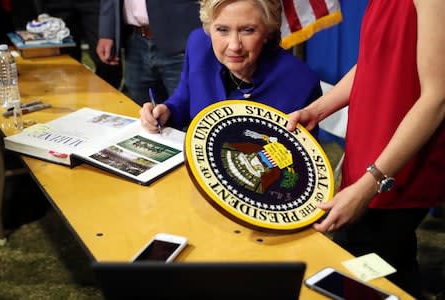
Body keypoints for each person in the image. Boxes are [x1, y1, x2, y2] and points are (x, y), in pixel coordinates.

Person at [286, 0, 445, 298]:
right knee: (373, 263)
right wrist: (318, 110)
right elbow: (376, 61)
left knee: (374, 267)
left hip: (397, 166)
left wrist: (369, 184)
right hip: (370, 153)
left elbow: (437, 98)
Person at [140, 0, 322, 133]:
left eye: (248, 30)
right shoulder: (198, 45)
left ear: (268, 31)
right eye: (222, 30)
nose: (234, 45)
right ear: (209, 27)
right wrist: (167, 111)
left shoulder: (300, 82)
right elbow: (185, 97)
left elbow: (301, 165)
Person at [97, 0, 202, 105]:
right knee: (143, 111)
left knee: (187, 109)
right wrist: (108, 31)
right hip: (134, 39)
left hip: (183, 38)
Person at [37, 0, 123, 89]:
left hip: (97, 4)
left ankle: (108, 99)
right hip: (55, 5)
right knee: (62, 64)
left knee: (107, 59)